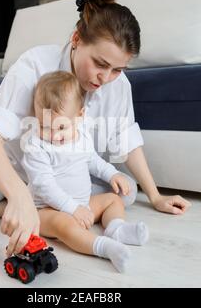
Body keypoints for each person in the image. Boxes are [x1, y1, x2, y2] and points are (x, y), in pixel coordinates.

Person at [0, 0, 191, 257]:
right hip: (13, 168)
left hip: (62, 170)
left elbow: (125, 138)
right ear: (77, 38)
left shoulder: (118, 85)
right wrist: (18, 196)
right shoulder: (33, 65)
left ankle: (23, 206)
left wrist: (155, 196)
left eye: (117, 69)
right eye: (100, 64)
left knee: (125, 190)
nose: (105, 78)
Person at [22, 71, 149, 272]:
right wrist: (72, 209)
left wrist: (112, 174)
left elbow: (92, 160)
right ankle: (104, 248)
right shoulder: (36, 146)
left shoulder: (81, 137)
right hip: (45, 210)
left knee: (113, 200)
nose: (54, 135)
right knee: (63, 225)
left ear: (79, 116)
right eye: (45, 126)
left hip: (81, 204)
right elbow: (43, 186)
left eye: (61, 127)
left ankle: (117, 229)